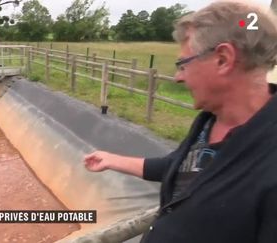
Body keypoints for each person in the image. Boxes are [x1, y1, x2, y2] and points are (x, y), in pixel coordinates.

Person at [83, 1, 277, 243]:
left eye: (183, 64)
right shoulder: (210, 121)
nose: (177, 77)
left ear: (223, 59)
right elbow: (180, 167)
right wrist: (112, 160)